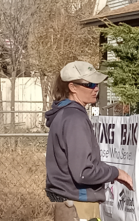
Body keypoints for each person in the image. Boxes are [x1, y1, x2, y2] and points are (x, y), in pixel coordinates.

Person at [45, 61, 133, 221]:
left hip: (68, 203)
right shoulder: (74, 119)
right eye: (90, 84)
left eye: (97, 83)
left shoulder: (64, 115)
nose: (96, 88)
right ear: (72, 87)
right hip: (79, 207)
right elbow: (83, 173)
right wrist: (117, 173)